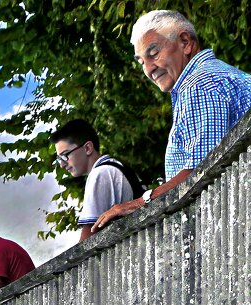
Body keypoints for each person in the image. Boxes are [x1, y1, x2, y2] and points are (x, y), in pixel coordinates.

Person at [93, 10, 251, 233]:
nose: (148, 69)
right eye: (141, 62)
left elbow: (203, 173)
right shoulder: (210, 77)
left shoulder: (201, 84)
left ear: (185, 42)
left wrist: (139, 203)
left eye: (154, 53)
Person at [51, 119, 142, 241]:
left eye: (65, 155)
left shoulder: (99, 174)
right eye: (59, 158)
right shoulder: (117, 166)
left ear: (87, 148)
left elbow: (88, 238)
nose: (62, 164)